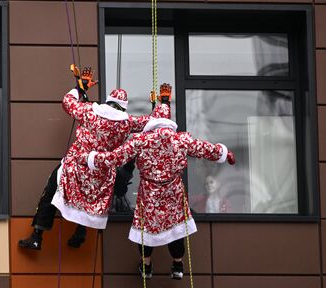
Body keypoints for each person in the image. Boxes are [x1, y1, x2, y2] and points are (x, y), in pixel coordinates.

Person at [80, 85, 235, 280]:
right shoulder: (181, 140)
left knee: (146, 230)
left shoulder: (140, 140)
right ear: (168, 122)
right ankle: (177, 265)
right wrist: (225, 153)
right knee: (175, 228)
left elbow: (116, 157)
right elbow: (205, 149)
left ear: (153, 121)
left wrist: (92, 159)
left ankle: (146, 266)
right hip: (173, 192)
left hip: (149, 193)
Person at [18, 66, 151, 250]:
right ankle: (81, 231)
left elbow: (67, 101)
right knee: (89, 199)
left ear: (108, 102)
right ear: (124, 106)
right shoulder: (128, 122)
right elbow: (153, 122)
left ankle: (37, 236)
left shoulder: (89, 111)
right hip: (100, 173)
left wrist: (81, 88)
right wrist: (163, 103)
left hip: (76, 165)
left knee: (51, 190)